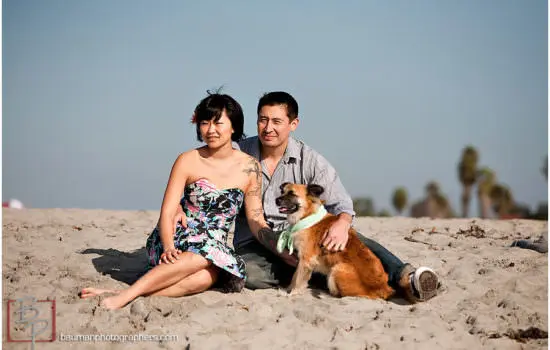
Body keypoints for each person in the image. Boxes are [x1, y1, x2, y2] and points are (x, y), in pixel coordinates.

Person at [174, 91, 440, 303]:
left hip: (306, 236)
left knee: (355, 240)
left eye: (277, 121)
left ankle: (407, 277)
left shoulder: (310, 160)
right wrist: (178, 205)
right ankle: (310, 272)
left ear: (293, 124)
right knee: (247, 274)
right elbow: (202, 169)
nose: (268, 128)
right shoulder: (238, 152)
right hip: (256, 241)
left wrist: (342, 223)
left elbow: (343, 205)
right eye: (263, 120)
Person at [80, 92, 272, 309]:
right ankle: (124, 298)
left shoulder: (250, 167)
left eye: (218, 123)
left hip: (213, 246)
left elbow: (255, 217)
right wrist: (169, 246)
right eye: (204, 123)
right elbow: (168, 212)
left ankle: (124, 293)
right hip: (177, 235)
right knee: (204, 255)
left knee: (205, 277)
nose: (210, 130)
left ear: (233, 126)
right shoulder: (188, 160)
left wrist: (275, 242)